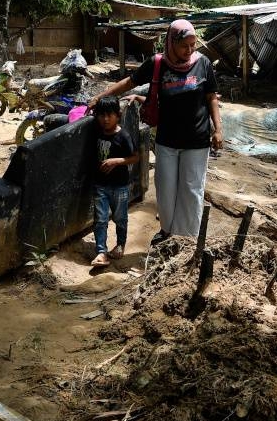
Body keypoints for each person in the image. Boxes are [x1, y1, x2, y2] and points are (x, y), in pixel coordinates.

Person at [88, 19, 223, 245]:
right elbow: (129, 82)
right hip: (166, 140)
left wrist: (218, 129)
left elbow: (211, 98)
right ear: (171, 42)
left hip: (197, 140)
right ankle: (168, 233)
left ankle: (187, 239)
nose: (189, 51)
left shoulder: (204, 64)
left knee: (191, 190)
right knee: (165, 189)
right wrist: (100, 97)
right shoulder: (158, 63)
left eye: (193, 45)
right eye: (184, 46)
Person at [90, 96, 140, 268]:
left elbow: (135, 157)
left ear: (118, 115)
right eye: (102, 115)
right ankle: (101, 252)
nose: (105, 119)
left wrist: (117, 161)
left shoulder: (124, 135)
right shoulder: (97, 131)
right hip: (100, 185)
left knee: (120, 217)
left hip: (120, 186)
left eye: (109, 115)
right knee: (101, 219)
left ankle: (120, 245)